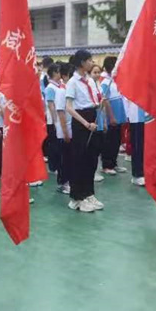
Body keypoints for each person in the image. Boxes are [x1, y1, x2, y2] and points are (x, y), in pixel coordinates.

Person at [65, 50, 104, 212]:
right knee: (79, 160)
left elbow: (95, 99)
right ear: (81, 63)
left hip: (93, 117)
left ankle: (88, 193)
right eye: (89, 60)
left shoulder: (91, 81)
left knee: (91, 159)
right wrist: (86, 124)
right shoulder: (73, 82)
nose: (91, 62)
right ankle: (76, 198)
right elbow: (68, 107)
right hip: (81, 120)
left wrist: (100, 102)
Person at [100, 57, 128, 175]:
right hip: (112, 116)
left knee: (116, 140)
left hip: (119, 115)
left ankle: (114, 163)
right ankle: (107, 165)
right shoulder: (105, 82)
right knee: (109, 141)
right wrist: (111, 117)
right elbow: (105, 100)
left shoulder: (115, 80)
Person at [55, 62, 73, 194]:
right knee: (64, 158)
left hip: (71, 128)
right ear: (65, 76)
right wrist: (65, 132)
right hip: (64, 130)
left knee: (70, 156)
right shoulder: (61, 91)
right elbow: (60, 112)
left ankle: (68, 180)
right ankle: (62, 182)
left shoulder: (68, 89)